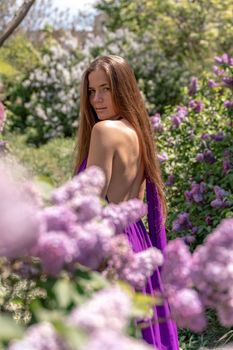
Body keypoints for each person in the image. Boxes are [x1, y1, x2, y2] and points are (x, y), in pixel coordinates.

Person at [74, 55, 179, 350]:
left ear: (123, 88)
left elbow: (89, 204)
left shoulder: (104, 131)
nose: (97, 99)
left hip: (111, 247)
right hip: (139, 244)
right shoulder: (139, 135)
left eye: (105, 89)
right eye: (92, 91)